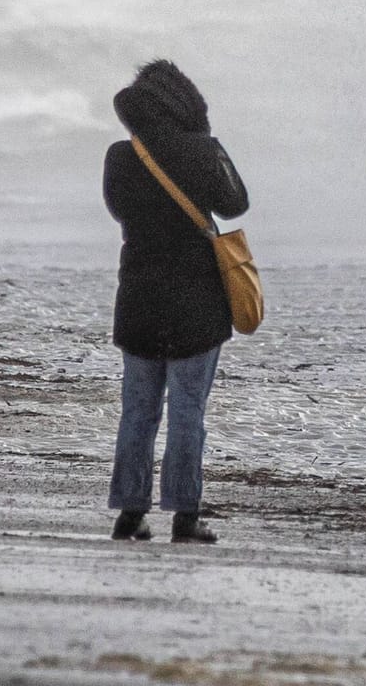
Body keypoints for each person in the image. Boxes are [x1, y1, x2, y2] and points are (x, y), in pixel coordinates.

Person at [102, 59, 249, 544]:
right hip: (197, 300)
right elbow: (235, 203)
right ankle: (186, 517)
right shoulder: (201, 150)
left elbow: (120, 210)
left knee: (137, 411)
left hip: (139, 296)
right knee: (188, 411)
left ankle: (130, 512)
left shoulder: (121, 156)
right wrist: (212, 148)